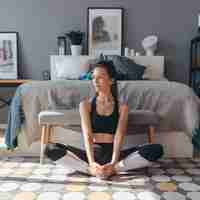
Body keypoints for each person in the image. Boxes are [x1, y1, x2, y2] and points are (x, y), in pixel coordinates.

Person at [45, 60, 164, 179]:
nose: (95, 81)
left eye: (100, 77)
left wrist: (113, 162)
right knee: (50, 149)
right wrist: (91, 162)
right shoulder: (85, 105)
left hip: (113, 153)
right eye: (93, 77)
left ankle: (114, 169)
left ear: (111, 80)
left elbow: (119, 136)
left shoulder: (122, 107)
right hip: (92, 152)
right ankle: (91, 170)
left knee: (156, 149)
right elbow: (87, 135)